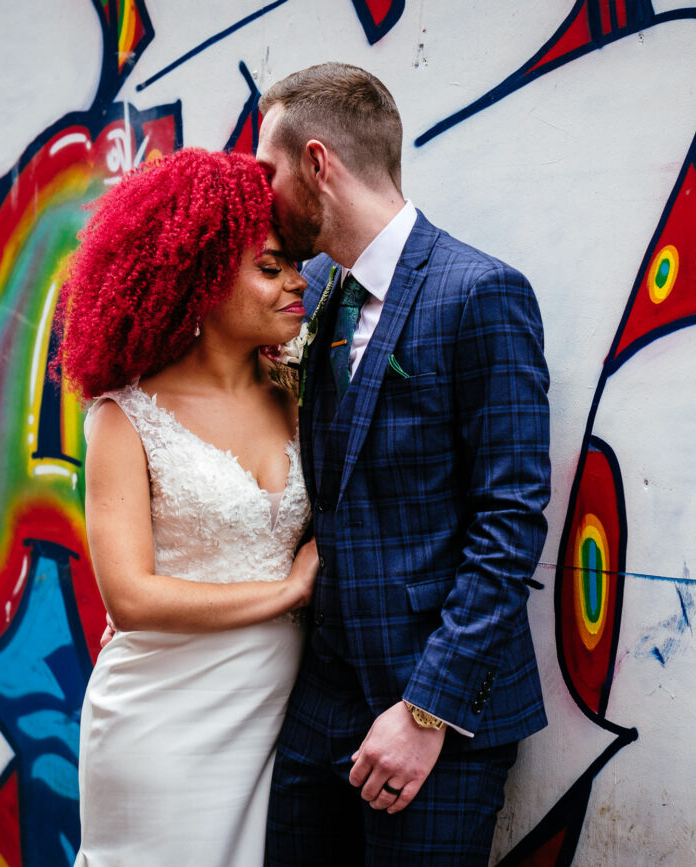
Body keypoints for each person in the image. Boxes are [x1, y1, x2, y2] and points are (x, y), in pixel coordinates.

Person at [256, 63, 552, 864]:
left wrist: (427, 710)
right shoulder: (312, 288)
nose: (261, 196)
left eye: (268, 171)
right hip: (318, 699)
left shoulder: (479, 293)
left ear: (317, 163)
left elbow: (510, 524)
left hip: (437, 711)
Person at [56, 148, 317, 866]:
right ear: (200, 280)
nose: (298, 281)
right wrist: (289, 590)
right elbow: (130, 597)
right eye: (270, 267)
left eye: (294, 265)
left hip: (276, 722)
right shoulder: (126, 417)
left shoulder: (300, 394)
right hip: (160, 725)